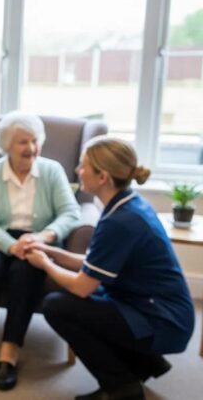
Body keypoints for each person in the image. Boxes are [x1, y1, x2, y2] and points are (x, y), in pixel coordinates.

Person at [24, 137, 194, 400]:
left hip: (162, 320)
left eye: (83, 166)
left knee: (58, 306)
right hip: (159, 308)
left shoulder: (121, 221)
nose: (78, 171)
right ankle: (145, 363)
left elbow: (82, 286)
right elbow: (95, 264)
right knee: (92, 301)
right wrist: (50, 251)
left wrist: (44, 264)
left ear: (102, 176)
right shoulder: (126, 204)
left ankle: (121, 387)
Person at [0, 112, 81, 391]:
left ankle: (9, 350)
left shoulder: (51, 170)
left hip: (36, 239)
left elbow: (70, 212)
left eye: (34, 141)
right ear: (6, 145)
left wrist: (44, 236)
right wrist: (10, 244)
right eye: (22, 142)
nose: (31, 148)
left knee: (26, 270)